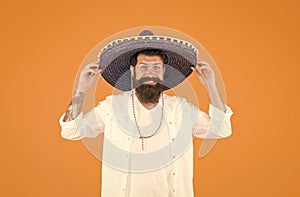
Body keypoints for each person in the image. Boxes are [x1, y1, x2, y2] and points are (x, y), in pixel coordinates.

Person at [59, 30, 233, 197]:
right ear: (132, 71)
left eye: (156, 67)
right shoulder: (112, 107)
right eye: (143, 67)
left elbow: (221, 129)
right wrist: (81, 90)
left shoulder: (181, 109)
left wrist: (211, 86)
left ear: (163, 72)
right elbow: (71, 130)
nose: (150, 72)